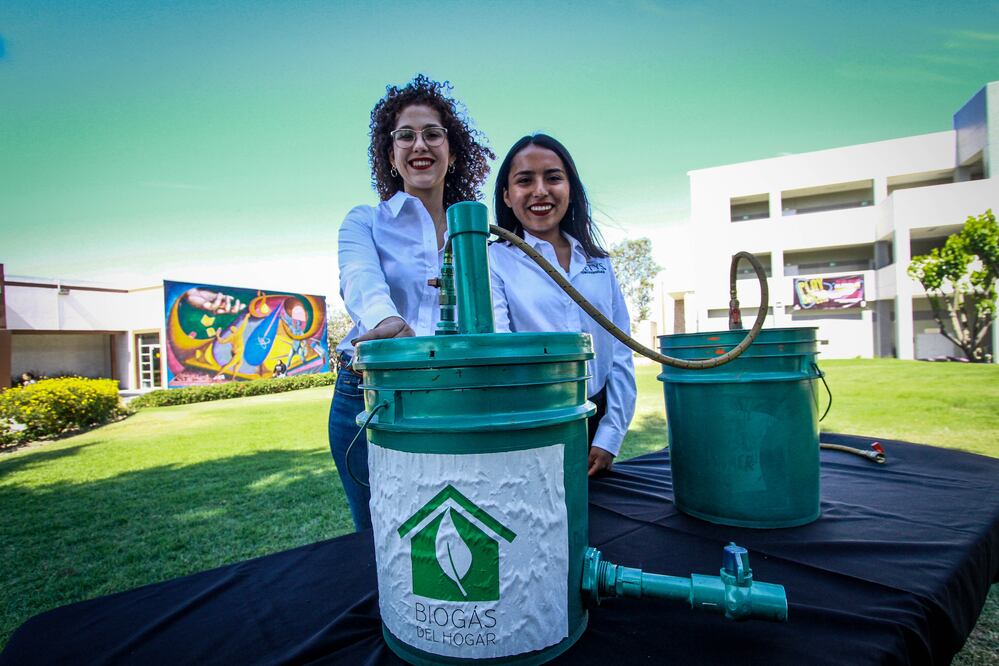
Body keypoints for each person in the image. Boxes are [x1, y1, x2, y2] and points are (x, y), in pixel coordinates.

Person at [331, 75, 493, 530]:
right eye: (405, 135)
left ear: (453, 152)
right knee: (377, 532)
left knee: (448, 525)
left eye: (432, 134)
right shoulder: (364, 221)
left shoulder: (479, 236)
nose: (419, 144)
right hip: (368, 394)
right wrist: (388, 320)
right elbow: (359, 277)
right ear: (391, 156)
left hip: (453, 393)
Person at [489, 134, 637, 477]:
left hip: (596, 422)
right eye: (525, 180)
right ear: (507, 196)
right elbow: (500, 349)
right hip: (533, 422)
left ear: (570, 189)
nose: (540, 190)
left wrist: (610, 435)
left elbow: (620, 350)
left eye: (553, 177)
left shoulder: (599, 262)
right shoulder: (493, 260)